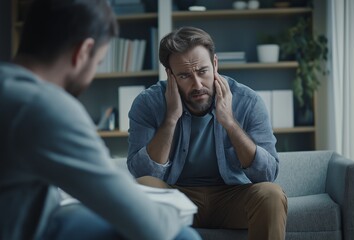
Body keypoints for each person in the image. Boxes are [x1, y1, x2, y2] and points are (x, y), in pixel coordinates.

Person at [0, 1, 202, 240]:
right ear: (83, 52)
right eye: (97, 63)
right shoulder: (43, 107)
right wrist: (174, 214)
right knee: (182, 236)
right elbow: (150, 227)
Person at [127, 26, 288, 240]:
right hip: (177, 197)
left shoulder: (248, 101)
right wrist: (171, 118)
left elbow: (266, 174)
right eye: (184, 75)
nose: (197, 84)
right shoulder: (148, 103)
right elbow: (142, 173)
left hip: (232, 196)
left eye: (202, 71)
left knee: (272, 194)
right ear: (170, 75)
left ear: (214, 64)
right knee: (142, 187)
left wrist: (229, 123)